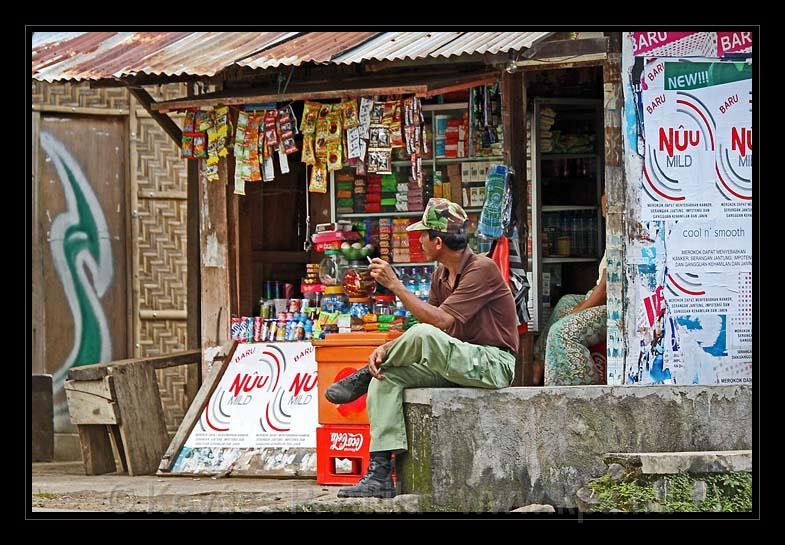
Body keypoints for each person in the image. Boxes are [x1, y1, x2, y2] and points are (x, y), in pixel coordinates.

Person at [325, 198, 518, 498]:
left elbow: (438, 322)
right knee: (386, 377)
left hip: (493, 365)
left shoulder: (483, 269)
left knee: (424, 335)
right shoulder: (442, 275)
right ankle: (379, 473)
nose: (419, 240)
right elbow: (425, 325)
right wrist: (389, 348)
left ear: (438, 241)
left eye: (423, 235)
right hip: (456, 361)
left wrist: (397, 286)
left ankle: (363, 374)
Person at [532, 192, 607, 386]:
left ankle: (585, 390)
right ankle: (539, 362)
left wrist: (577, 311)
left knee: (562, 331)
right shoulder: (614, 231)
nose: (604, 201)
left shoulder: (623, 236)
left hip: (615, 308)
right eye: (603, 195)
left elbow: (605, 290)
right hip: (599, 296)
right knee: (565, 301)